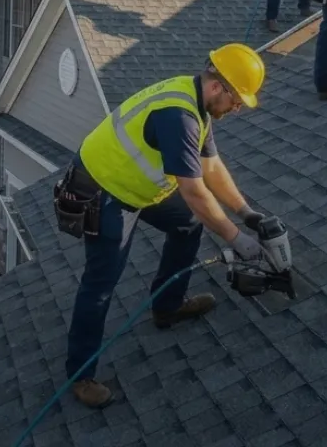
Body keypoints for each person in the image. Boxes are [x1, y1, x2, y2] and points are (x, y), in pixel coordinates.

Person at [59, 44, 270, 409]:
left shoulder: (197, 103)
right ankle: (81, 376)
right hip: (104, 191)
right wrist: (236, 238)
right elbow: (193, 190)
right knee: (100, 286)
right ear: (219, 86)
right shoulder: (179, 116)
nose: (238, 109)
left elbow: (212, 169)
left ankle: (167, 306)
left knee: (188, 224)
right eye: (237, 100)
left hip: (138, 189)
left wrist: (245, 212)